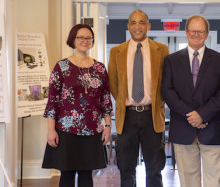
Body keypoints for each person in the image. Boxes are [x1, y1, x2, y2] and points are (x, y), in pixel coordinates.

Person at [42, 24, 113, 187]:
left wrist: (107, 126)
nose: (85, 41)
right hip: (66, 129)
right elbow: (52, 101)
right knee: (66, 174)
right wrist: (51, 130)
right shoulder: (61, 67)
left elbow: (105, 99)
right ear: (73, 40)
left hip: (93, 129)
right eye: (81, 37)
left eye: (88, 38)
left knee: (87, 174)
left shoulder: (99, 68)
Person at [162, 15, 220, 187]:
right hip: (183, 128)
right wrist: (191, 115)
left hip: (212, 128)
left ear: (207, 34)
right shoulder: (171, 60)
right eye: (193, 31)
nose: (196, 34)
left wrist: (202, 115)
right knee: (188, 181)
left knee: (215, 181)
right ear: (186, 32)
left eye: (200, 31)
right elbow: (167, 91)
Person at [108, 10, 169, 187]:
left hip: (152, 116)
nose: (137, 27)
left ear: (148, 26)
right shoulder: (116, 51)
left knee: (155, 168)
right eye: (133, 23)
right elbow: (113, 84)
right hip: (127, 116)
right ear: (128, 26)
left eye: (141, 22)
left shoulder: (161, 50)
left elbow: (167, 80)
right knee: (126, 168)